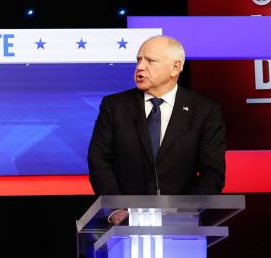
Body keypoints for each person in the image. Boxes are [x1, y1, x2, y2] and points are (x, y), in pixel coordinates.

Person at [87, 35, 226, 221]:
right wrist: (116, 208)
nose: (140, 67)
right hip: (125, 224)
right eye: (138, 60)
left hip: (183, 225)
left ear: (175, 67)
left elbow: (212, 172)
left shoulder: (205, 111)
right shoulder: (114, 106)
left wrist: (190, 212)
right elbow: (98, 160)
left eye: (150, 61)